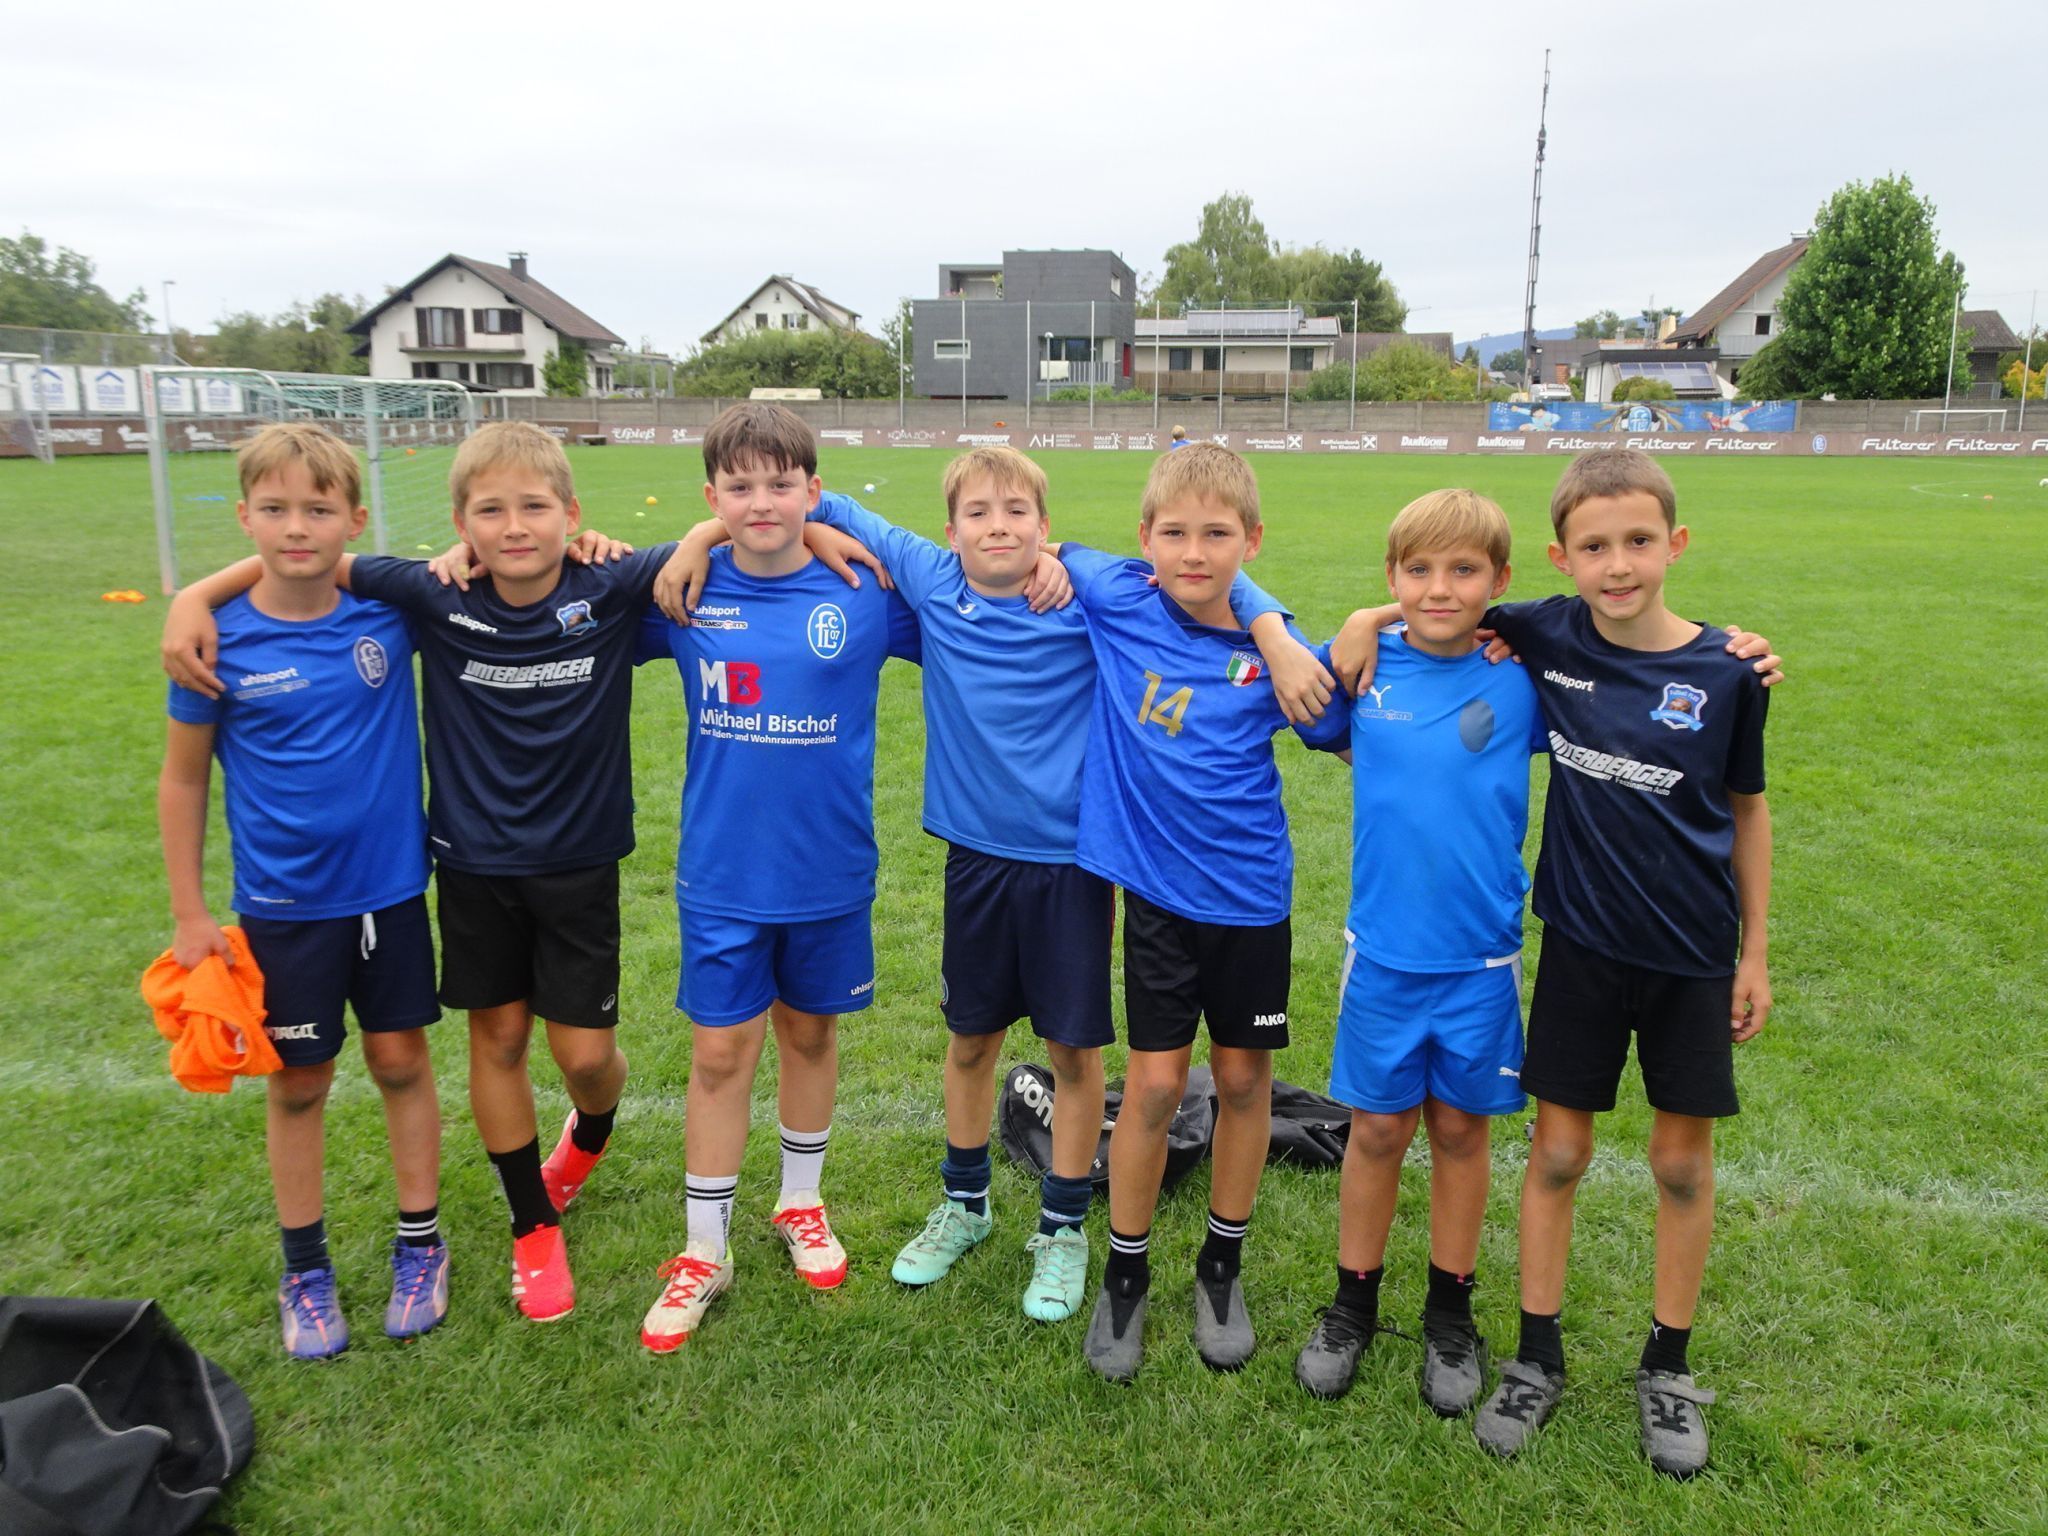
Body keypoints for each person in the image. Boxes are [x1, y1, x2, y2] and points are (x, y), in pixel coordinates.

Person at [162, 421, 680, 1326]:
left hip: (581, 865)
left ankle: (588, 1132)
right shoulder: (429, 595)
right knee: (498, 1040)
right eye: (491, 510)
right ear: (460, 522)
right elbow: (305, 559)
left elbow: (731, 532)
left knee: (587, 1057)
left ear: (572, 512)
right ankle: (530, 1225)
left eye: (535, 507)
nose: (514, 526)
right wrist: (193, 597)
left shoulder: (611, 586)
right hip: (470, 866)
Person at [1336, 450, 1774, 1476]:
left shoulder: (1722, 673)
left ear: (1674, 543)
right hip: (1575, 945)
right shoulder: (1540, 636)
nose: (1615, 564)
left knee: (1675, 1162)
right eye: (1592, 546)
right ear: (1558, 558)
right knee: (1557, 1155)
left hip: (1690, 957)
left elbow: (1747, 810)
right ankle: (1533, 1354)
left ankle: (1665, 1369)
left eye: (1635, 541)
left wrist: (1754, 951)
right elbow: (1433, 591)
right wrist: (1366, 619)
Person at [630, 404, 925, 1353]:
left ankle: (800, 1203)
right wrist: (691, 541)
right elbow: (551, 584)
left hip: (830, 871)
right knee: (719, 1056)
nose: (763, 502)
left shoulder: (867, 591)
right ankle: (702, 1247)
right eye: (740, 488)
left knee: (809, 1035)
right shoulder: (679, 589)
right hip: (722, 877)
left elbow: (984, 601)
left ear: (815, 487)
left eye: (782, 483)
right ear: (712, 496)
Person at [1054, 442, 1346, 1383]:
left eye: (1217, 535)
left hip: (1252, 899)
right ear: (1145, 539)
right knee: (1151, 1088)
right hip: (1156, 905)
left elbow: (1337, 729)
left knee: (1246, 1083)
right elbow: (1043, 547)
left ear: (1250, 540)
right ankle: (1126, 1274)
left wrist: (1277, 630)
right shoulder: (1116, 595)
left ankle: (1222, 1265)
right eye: (1173, 533)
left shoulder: (1276, 652)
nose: (1193, 551)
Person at [157, 423, 444, 1358]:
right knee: (300, 1084)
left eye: (318, 509)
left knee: (401, 1061)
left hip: (392, 894)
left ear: (353, 520)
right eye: (274, 509)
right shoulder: (215, 641)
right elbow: (184, 778)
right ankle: (306, 1271)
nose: (296, 528)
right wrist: (191, 912)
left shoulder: (384, 616)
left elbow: (462, 565)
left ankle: (419, 1245)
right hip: (282, 910)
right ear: (245, 518)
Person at [1290, 489, 1544, 1415]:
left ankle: (1449, 1314)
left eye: (1464, 571)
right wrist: (1363, 623)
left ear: (1500, 583)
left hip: (1480, 962)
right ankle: (1353, 1305)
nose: (1440, 589)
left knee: (1460, 1132)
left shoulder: (1524, 674)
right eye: (1418, 571)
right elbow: (1306, 710)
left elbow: (1611, 642)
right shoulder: (1365, 667)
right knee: (1379, 1131)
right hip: (1385, 957)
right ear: (1393, 578)